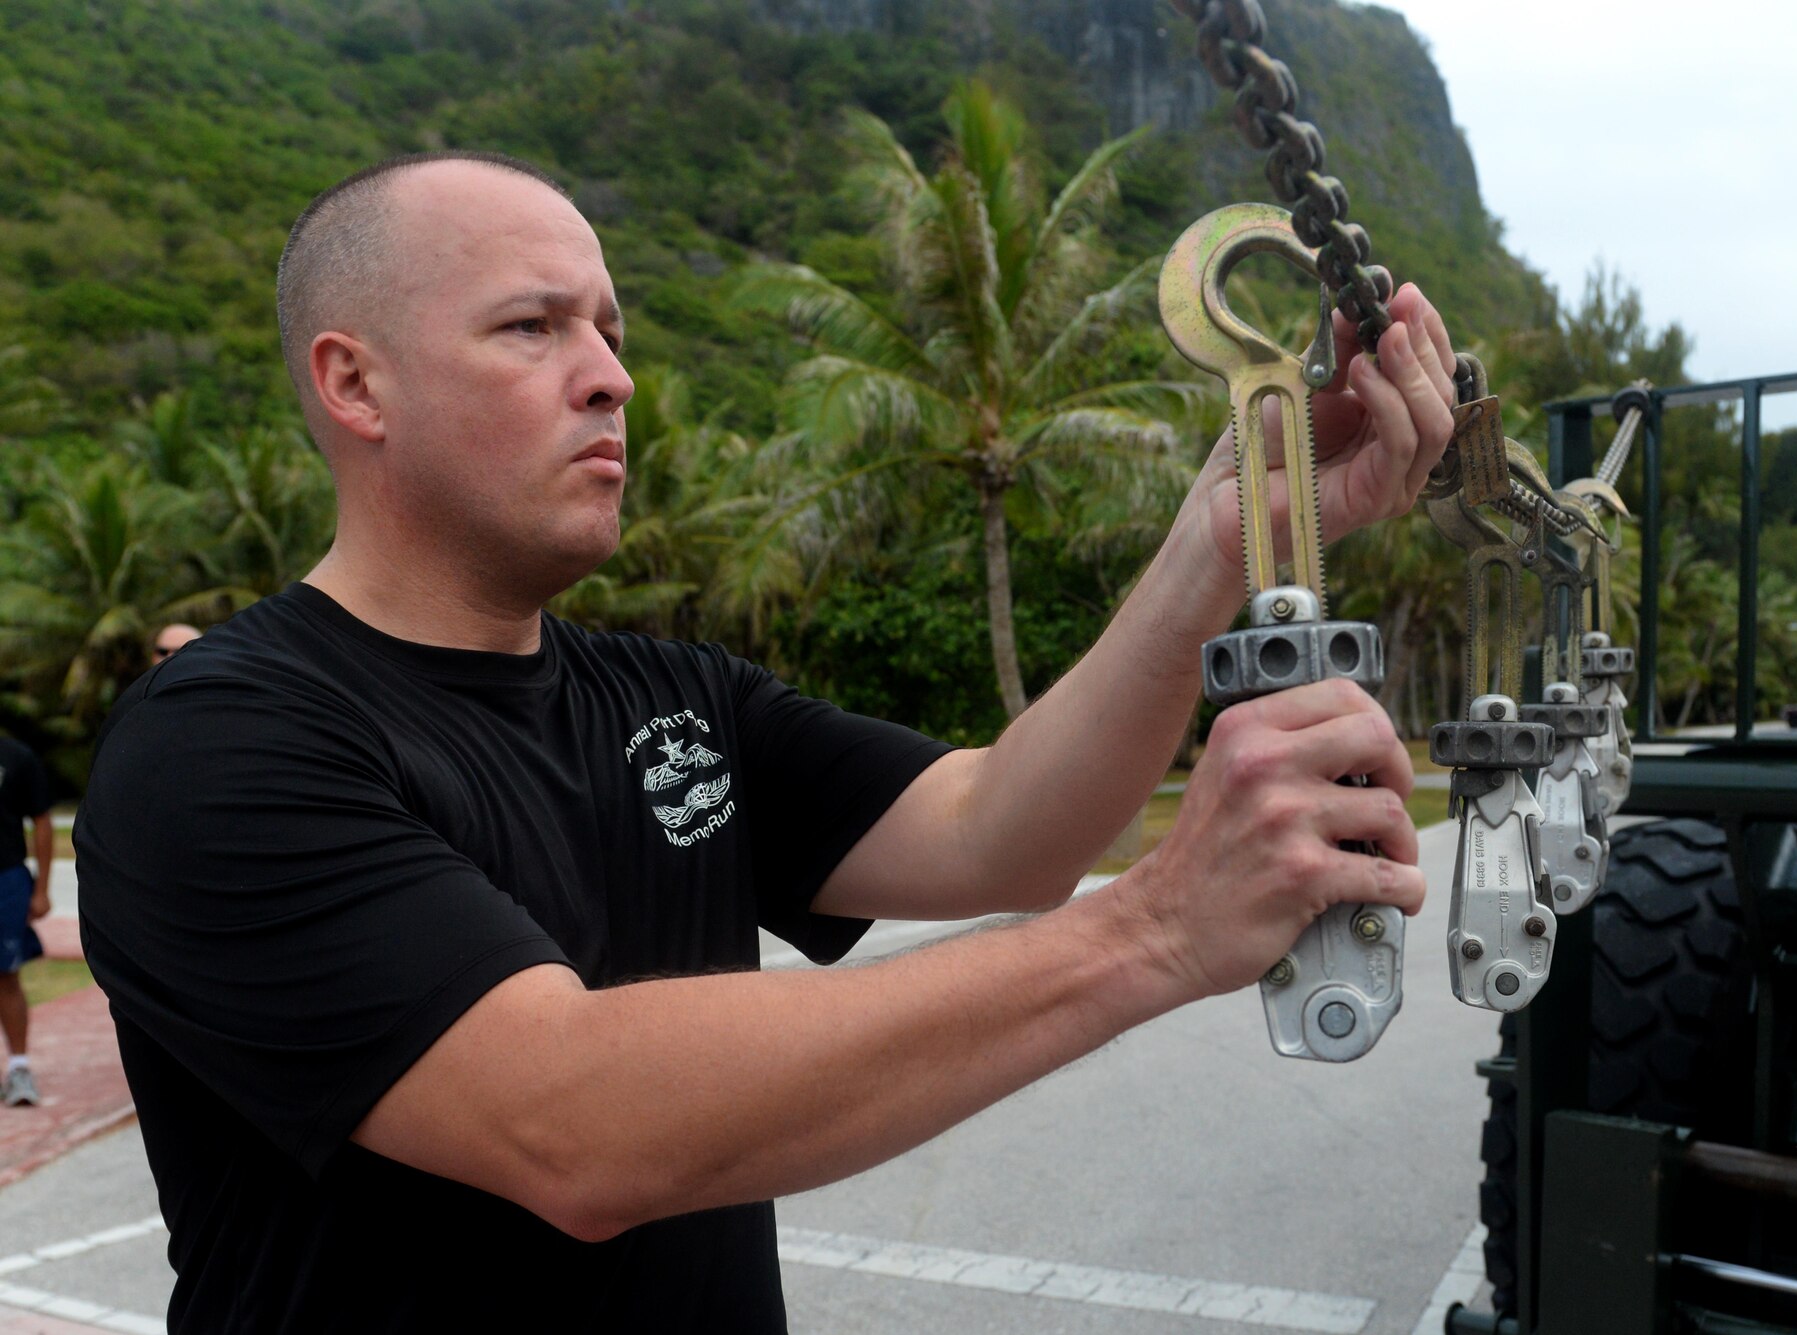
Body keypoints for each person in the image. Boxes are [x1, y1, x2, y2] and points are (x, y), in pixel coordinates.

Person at [77, 151, 1460, 1331]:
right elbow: (568, 1121)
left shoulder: (672, 695)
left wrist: (1217, 539)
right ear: (354, 384)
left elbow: (1005, 828)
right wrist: (1156, 928)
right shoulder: (218, 744)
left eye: (612, 330)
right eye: (533, 328)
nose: (612, 377)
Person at [1, 734, 54, 1109]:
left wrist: (41, 889)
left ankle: (19, 1069)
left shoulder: (17, 756)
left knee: (7, 975)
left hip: (5, 878)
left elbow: (42, 821)